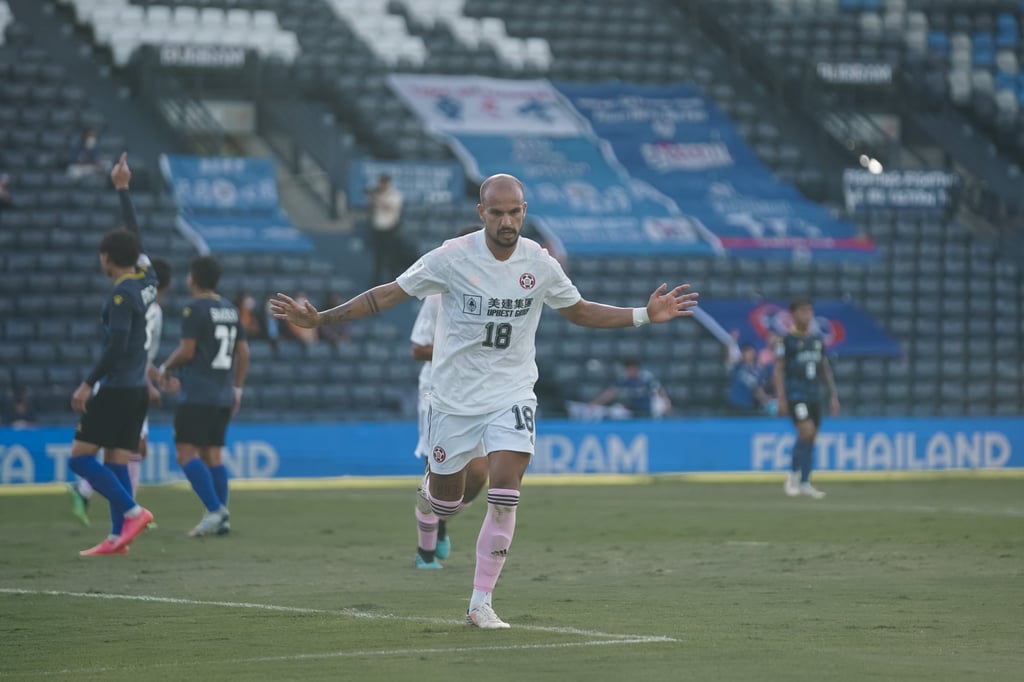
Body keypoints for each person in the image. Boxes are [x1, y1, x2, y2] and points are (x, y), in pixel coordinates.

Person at [271, 173, 699, 629]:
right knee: (447, 503)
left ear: (524, 212)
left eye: (514, 211)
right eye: (497, 212)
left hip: (512, 393)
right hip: (453, 399)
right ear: (482, 214)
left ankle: (480, 602)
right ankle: (429, 498)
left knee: (504, 494)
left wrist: (642, 315)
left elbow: (578, 309)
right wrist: (323, 319)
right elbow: (388, 294)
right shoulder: (451, 258)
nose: (506, 220)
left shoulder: (540, 262)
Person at [67, 152, 156, 556]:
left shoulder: (122, 294)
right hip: (137, 389)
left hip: (118, 387)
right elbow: (134, 236)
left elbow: (116, 346)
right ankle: (117, 537)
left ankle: (133, 511)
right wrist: (123, 190)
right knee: (117, 461)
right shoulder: (146, 278)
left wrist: (87, 383)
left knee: (80, 459)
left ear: (106, 257)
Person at [67, 255, 172, 526]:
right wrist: (153, 379)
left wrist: (154, 375)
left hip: (123, 383)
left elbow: (128, 348)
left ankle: (125, 518)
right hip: (131, 386)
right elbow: (136, 350)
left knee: (115, 455)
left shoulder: (129, 296)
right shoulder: (148, 303)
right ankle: (125, 520)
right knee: (124, 454)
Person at [409, 226, 489, 570]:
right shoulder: (438, 294)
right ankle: (425, 553)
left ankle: (439, 521)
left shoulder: (501, 291)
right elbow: (417, 348)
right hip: (438, 391)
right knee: (436, 470)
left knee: (477, 478)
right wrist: (459, 349)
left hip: (483, 392)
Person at [158, 255, 250, 537]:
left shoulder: (195, 308)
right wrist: (237, 388)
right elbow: (243, 353)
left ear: (194, 278)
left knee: (186, 453)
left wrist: (165, 367)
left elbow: (187, 351)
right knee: (213, 456)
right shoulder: (230, 310)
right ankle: (221, 517)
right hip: (223, 394)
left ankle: (214, 510)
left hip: (198, 394)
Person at [773, 298, 840, 499]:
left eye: (810, 311)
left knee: (811, 437)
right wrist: (781, 398)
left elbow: (824, 368)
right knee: (806, 431)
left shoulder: (817, 340)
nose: (807, 315)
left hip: (814, 394)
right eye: (803, 311)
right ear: (793, 314)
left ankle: (805, 483)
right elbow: (778, 369)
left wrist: (833, 396)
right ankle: (793, 476)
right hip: (796, 394)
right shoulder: (785, 340)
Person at [588, 358, 671, 419]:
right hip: (631, 410)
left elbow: (659, 390)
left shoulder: (646, 378)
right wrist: (596, 403)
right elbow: (610, 393)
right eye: (627, 370)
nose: (629, 372)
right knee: (616, 411)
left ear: (636, 369)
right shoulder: (624, 379)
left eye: (631, 370)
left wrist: (666, 404)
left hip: (647, 410)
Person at [366, 174, 404, 285]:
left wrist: (377, 198)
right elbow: (371, 208)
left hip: (390, 230)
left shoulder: (395, 195)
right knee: (378, 258)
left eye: (383, 183)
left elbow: (389, 207)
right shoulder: (377, 194)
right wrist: (372, 198)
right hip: (378, 230)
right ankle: (376, 283)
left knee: (392, 257)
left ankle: (395, 282)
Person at [725, 341, 771, 415]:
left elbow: (758, 389)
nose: (750, 355)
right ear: (743, 354)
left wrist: (766, 399)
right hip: (733, 403)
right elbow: (729, 359)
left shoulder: (759, 371)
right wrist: (731, 343)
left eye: (751, 352)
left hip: (748, 405)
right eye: (747, 352)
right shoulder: (738, 366)